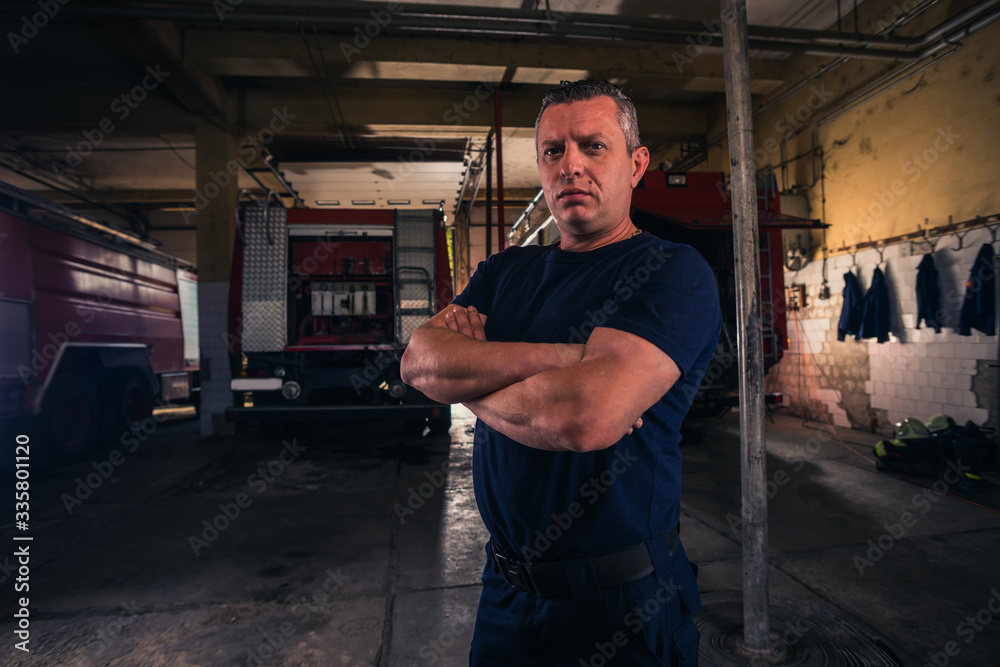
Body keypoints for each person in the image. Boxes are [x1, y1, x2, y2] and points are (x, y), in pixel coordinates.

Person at [400, 80, 722, 666]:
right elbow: (419, 360)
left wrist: (468, 380)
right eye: (554, 150)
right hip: (505, 597)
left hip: (621, 606)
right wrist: (570, 361)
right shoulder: (503, 272)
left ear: (637, 163)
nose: (571, 165)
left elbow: (583, 417)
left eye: (593, 146)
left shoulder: (673, 271)